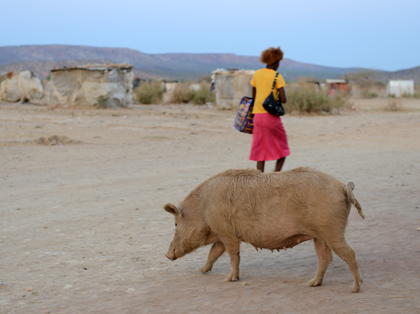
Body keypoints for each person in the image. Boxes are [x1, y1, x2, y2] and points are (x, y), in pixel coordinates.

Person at [249, 47, 289, 172]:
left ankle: (260, 178)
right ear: (276, 61)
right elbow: (283, 99)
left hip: (258, 117)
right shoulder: (277, 76)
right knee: (282, 148)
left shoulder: (257, 74)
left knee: (260, 149)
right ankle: (276, 174)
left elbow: (254, 96)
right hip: (271, 117)